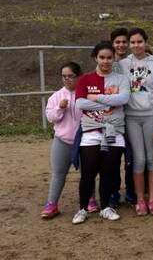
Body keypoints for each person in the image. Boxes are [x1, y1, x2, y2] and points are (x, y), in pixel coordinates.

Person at [72, 41, 130, 224]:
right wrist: (110, 101)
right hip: (91, 131)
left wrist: (96, 97)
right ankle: (82, 208)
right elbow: (80, 103)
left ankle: (106, 206)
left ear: (114, 58)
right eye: (102, 57)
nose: (106, 61)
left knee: (109, 171)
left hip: (115, 131)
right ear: (95, 58)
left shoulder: (121, 79)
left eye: (109, 57)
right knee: (88, 172)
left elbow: (123, 98)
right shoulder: (85, 79)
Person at [119, 28, 153, 216]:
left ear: (145, 42)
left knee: (151, 158)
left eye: (139, 42)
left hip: (151, 116)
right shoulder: (122, 64)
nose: (136, 45)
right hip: (131, 117)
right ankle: (140, 199)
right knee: (138, 159)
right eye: (133, 42)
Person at [41, 62, 82, 219]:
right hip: (62, 141)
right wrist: (60, 108)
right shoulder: (56, 96)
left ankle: (89, 199)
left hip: (82, 141)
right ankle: (52, 204)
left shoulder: (84, 93)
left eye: (71, 76)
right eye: (64, 76)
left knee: (87, 173)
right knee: (59, 173)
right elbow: (51, 118)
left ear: (78, 76)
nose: (67, 79)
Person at [109, 27, 136, 206]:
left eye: (124, 42)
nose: (121, 45)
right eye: (117, 42)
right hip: (112, 116)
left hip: (131, 114)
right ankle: (113, 191)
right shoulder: (107, 63)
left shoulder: (131, 63)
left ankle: (132, 190)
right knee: (112, 156)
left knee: (131, 157)